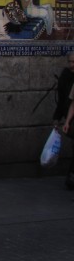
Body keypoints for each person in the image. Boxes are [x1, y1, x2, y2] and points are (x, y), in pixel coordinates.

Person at [58, 52, 74, 188]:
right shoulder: (66, 76)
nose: (71, 65)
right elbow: (72, 103)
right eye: (70, 61)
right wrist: (67, 121)